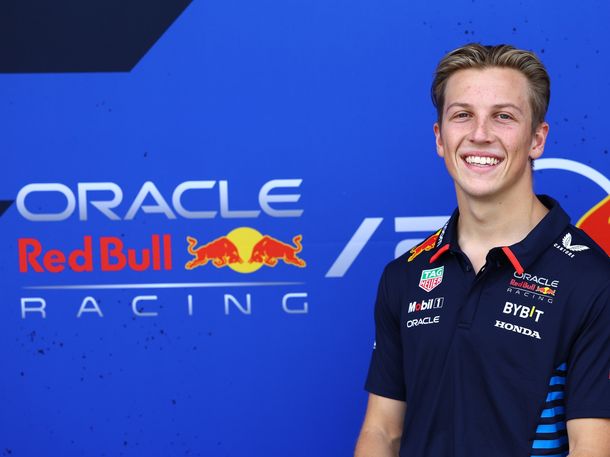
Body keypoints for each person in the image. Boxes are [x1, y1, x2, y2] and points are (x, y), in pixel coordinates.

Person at [354, 43, 610, 457]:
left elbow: (592, 447)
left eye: (503, 116)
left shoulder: (592, 280)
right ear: (440, 138)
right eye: (462, 115)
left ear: (537, 139)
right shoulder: (405, 275)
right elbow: (382, 432)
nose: (480, 134)